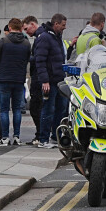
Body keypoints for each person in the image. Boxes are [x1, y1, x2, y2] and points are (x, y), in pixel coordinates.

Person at [34, 14, 68, 148]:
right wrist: (44, 80)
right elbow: (40, 60)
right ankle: (43, 139)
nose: (65, 28)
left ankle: (55, 136)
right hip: (50, 80)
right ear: (56, 24)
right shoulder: (46, 38)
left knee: (60, 109)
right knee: (48, 110)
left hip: (59, 80)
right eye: (63, 25)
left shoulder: (56, 37)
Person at [0, 17, 32, 145]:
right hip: (19, 79)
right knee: (17, 109)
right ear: (21, 28)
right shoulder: (26, 43)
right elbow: (27, 58)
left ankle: (5, 137)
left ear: (10, 27)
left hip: (4, 78)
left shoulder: (3, 41)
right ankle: (17, 136)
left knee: (5, 109)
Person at [22, 16, 43, 136]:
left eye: (26, 28)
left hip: (38, 78)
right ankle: (40, 134)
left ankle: (40, 135)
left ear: (33, 24)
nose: (26, 31)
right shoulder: (40, 37)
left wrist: (27, 58)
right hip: (39, 77)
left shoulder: (40, 38)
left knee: (36, 107)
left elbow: (38, 59)